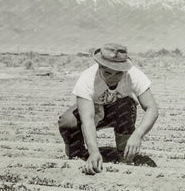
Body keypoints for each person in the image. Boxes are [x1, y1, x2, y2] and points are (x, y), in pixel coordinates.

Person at [58, 43, 159, 174]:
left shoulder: (134, 75)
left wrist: (138, 135)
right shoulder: (87, 78)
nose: (112, 77)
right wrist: (93, 151)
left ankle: (125, 155)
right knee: (68, 121)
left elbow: (152, 109)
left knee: (125, 104)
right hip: (94, 114)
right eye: (107, 72)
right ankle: (79, 154)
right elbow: (87, 119)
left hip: (118, 114)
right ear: (99, 66)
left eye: (118, 73)